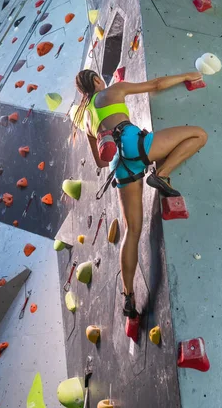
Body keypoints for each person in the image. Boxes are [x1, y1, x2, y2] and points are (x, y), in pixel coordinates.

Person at [73, 69, 208, 318]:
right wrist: (185, 76)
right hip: (137, 146)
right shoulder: (111, 91)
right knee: (199, 134)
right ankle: (162, 173)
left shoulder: (85, 121)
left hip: (120, 167)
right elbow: (156, 84)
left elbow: (100, 163)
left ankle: (128, 296)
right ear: (95, 81)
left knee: (132, 231)